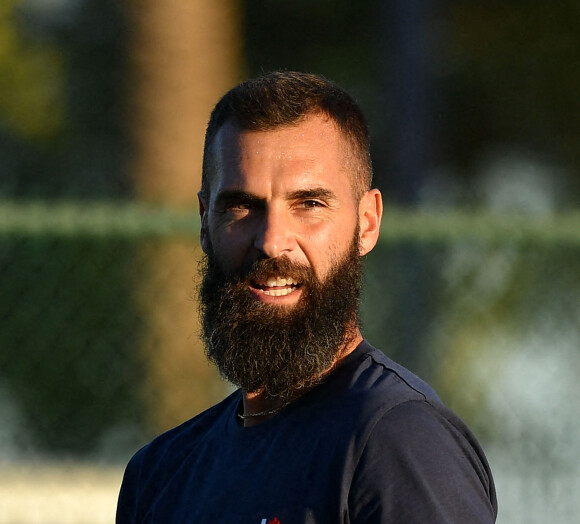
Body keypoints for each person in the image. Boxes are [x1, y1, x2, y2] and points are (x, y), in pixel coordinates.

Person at [117, 71, 498, 523]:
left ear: (368, 222)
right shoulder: (161, 473)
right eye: (242, 206)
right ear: (205, 220)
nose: (272, 241)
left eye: (309, 205)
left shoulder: (396, 441)